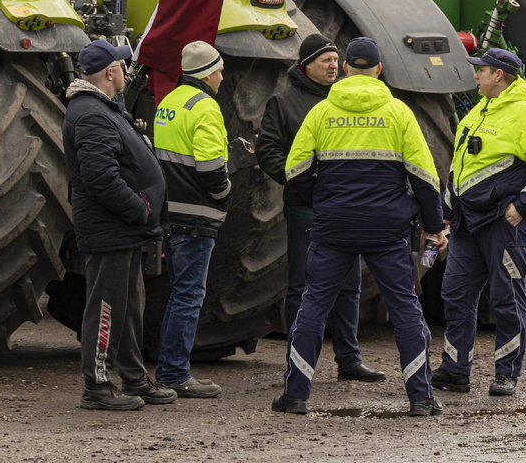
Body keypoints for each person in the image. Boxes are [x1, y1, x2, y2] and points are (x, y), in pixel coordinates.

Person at [272, 37, 446, 417]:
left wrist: (322, 201)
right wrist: (433, 225)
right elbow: (425, 179)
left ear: (347, 67)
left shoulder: (321, 112)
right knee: (405, 311)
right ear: (379, 70)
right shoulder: (399, 113)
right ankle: (421, 398)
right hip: (387, 230)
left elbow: (294, 172)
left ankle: (296, 396)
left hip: (334, 228)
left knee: (312, 309)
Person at [431, 47, 526, 398]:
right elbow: (460, 169)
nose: (475, 76)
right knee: (455, 294)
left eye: (482, 70)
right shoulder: (478, 111)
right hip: (467, 223)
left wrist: (523, 205)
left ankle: (507, 374)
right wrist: (446, 215)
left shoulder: (525, 115)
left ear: (499, 76)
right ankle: (455, 370)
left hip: (504, 224)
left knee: (507, 297)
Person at [256, 34, 384, 384]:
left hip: (345, 206)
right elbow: (268, 151)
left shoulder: (345, 101)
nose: (333, 65)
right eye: (325, 59)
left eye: (335, 59)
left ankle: (349, 360)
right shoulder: (284, 103)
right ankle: (299, 363)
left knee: (349, 283)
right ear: (306, 64)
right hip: (307, 207)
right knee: (302, 283)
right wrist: (306, 183)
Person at [62, 39, 177, 411]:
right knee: (107, 309)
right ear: (111, 72)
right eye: (123, 66)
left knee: (128, 308)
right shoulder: (92, 114)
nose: (127, 72)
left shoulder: (103, 109)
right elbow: (100, 178)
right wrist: (141, 209)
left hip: (123, 230)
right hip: (111, 230)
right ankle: (97, 386)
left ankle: (134, 378)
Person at [154, 40, 231, 399]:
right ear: (205, 73)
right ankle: (174, 373)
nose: (222, 75)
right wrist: (225, 195)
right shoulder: (206, 107)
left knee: (178, 294)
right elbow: (212, 168)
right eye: (218, 69)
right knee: (188, 296)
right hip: (198, 217)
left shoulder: (169, 102)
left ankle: (169, 368)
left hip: (172, 213)